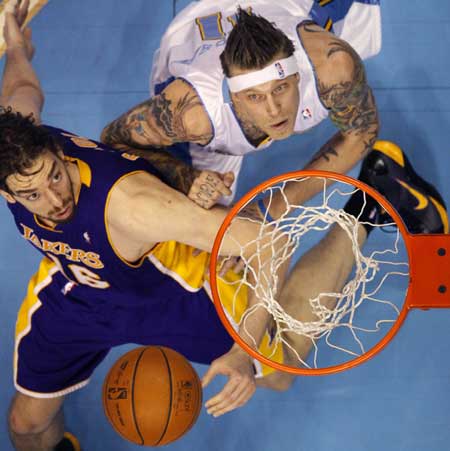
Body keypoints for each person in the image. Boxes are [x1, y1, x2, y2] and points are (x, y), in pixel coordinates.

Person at [2, 3, 447, 451]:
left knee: (279, 369)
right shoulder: (21, 150)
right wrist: (19, 50)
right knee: (25, 425)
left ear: (59, 154)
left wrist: (243, 351)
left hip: (173, 285)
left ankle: (369, 199)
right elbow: (22, 93)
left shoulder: (135, 208)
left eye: (55, 177)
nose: (55, 199)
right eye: (32, 194)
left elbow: (269, 243)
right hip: (80, 284)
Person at [101, 1, 381, 209]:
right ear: (234, 97)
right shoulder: (192, 116)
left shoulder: (333, 67)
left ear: (297, 76)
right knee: (204, 206)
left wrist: (275, 206)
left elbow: (362, 131)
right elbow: (113, 138)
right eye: (255, 97)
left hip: (282, 7)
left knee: (358, 36)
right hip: (194, 32)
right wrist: (187, 177)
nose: (274, 110)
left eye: (280, 88)